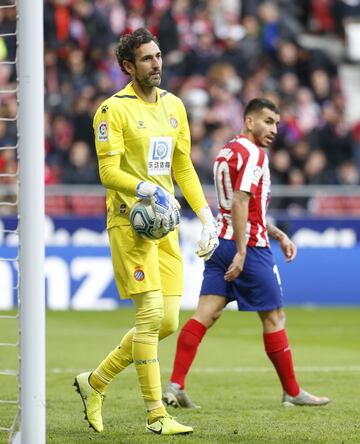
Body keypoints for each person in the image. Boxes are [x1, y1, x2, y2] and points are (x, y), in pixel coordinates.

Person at [73, 28, 218, 435]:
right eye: (147, 59)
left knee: (168, 321)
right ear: (127, 66)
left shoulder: (175, 106)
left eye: (158, 56)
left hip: (166, 225)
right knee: (151, 315)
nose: (157, 63)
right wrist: (145, 188)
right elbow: (107, 171)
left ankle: (95, 382)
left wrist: (206, 216)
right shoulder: (112, 110)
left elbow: (183, 167)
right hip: (130, 222)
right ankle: (156, 414)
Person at [163, 98, 330, 409]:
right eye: (268, 121)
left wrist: (277, 233)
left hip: (220, 241)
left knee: (205, 314)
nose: (274, 129)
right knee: (275, 317)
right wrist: (242, 252)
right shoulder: (254, 154)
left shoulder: (226, 151)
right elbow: (241, 202)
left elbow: (244, 207)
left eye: (277, 123)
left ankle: (175, 385)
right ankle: (292, 392)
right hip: (248, 247)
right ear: (249, 121)